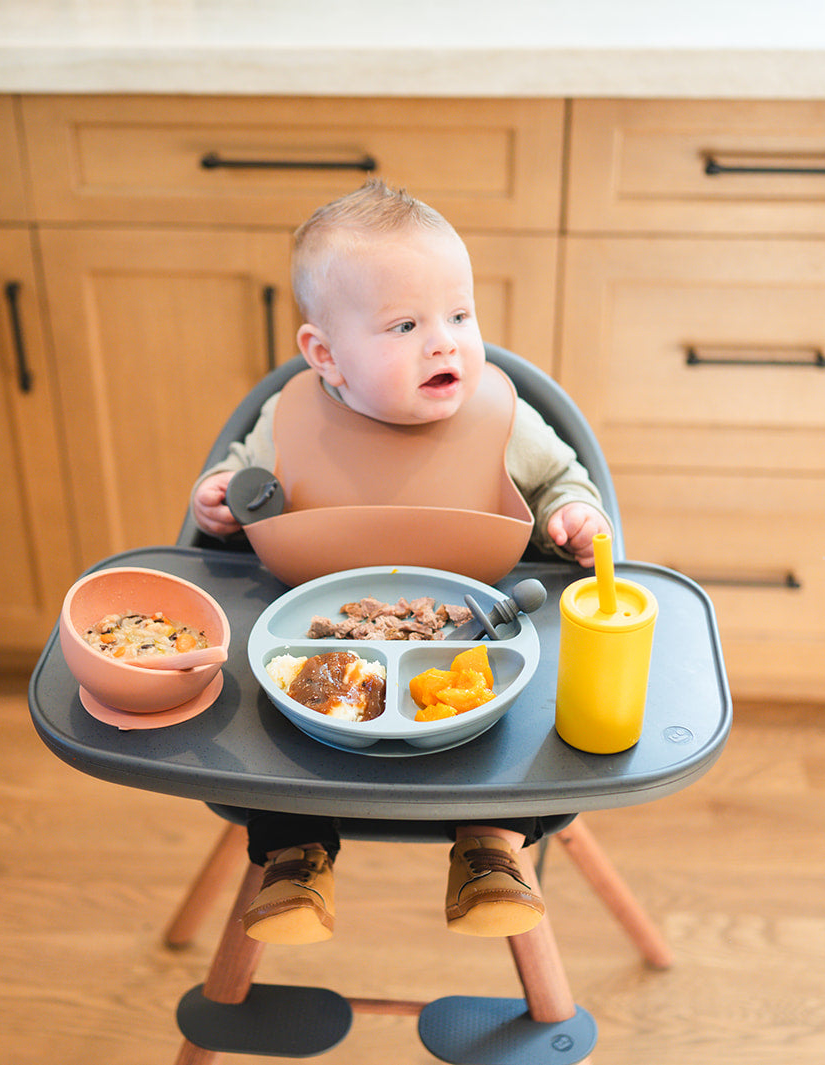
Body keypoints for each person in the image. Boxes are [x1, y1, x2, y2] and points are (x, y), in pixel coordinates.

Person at [191, 180, 613, 946]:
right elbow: (243, 484)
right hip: (313, 654)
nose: (445, 342)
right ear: (326, 355)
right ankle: (292, 864)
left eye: (460, 315)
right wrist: (218, 499)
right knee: (275, 740)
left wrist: (572, 517)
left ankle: (492, 853)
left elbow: (563, 478)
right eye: (406, 325)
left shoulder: (501, 416)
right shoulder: (290, 416)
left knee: (514, 738)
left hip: (477, 646)